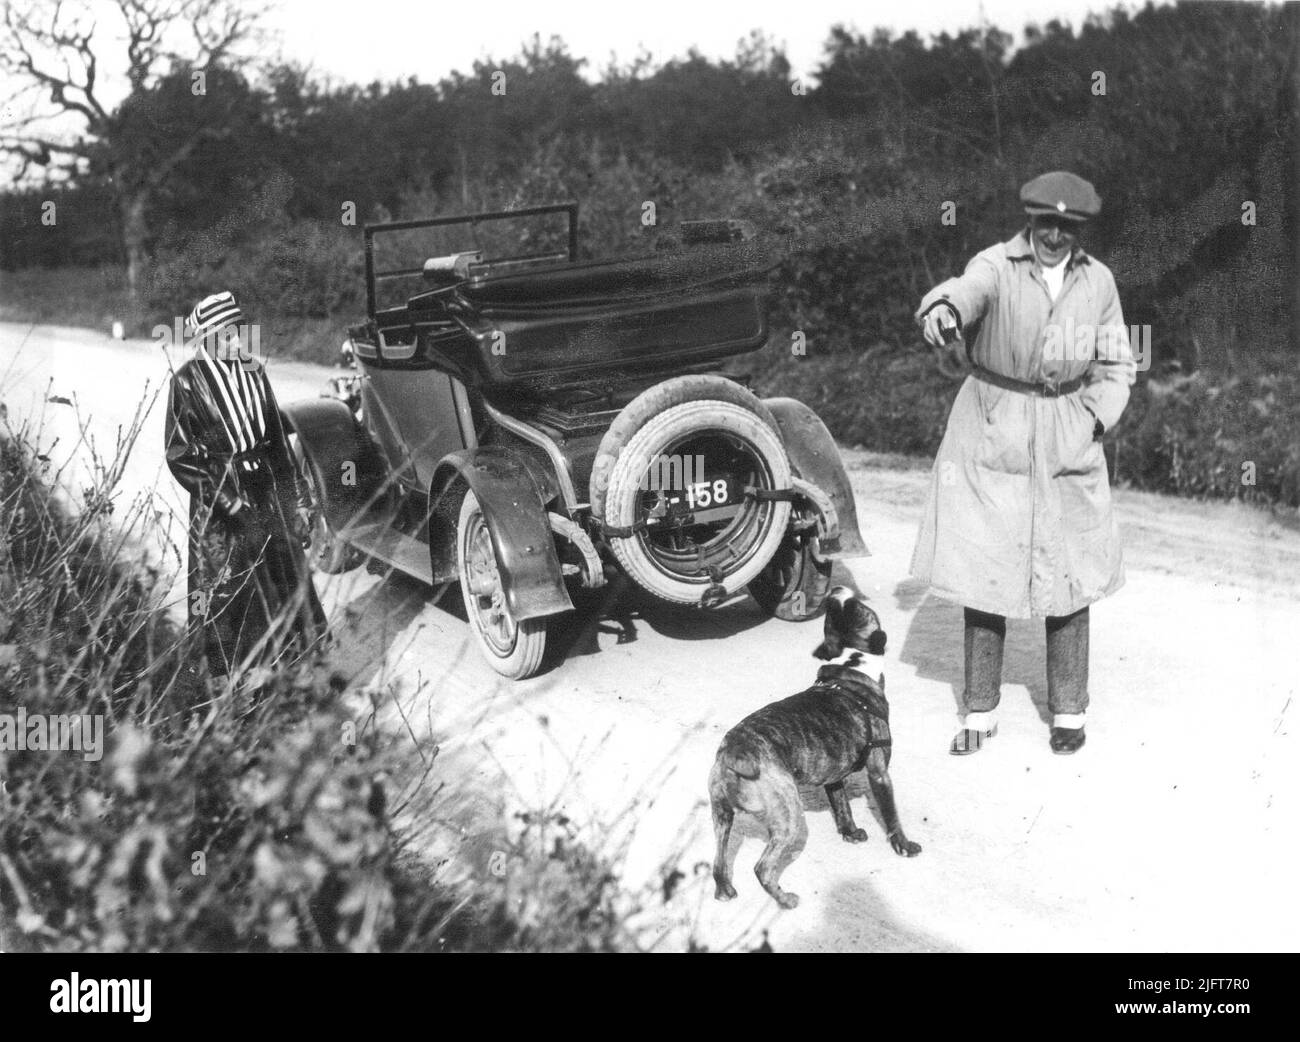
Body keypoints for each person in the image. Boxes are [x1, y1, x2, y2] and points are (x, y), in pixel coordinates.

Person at [912, 172, 1136, 755]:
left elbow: (1117, 363)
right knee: (987, 570)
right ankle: (980, 710)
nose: (1054, 236)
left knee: (1071, 573)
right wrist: (942, 309)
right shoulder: (996, 264)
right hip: (995, 423)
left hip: (1067, 426)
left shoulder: (1099, 281)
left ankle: (1068, 710)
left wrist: (1094, 420)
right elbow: (964, 290)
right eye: (1045, 224)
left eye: (1066, 226)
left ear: (1079, 230)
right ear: (1029, 222)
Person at [165, 291, 326, 678]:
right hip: (224, 506)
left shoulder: (254, 370)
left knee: (285, 584)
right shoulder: (187, 382)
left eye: (237, 330)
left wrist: (298, 500)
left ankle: (293, 681)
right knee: (234, 595)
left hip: (267, 493)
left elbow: (276, 442)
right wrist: (230, 503)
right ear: (205, 338)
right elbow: (180, 454)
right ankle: (244, 692)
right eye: (226, 333)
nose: (237, 340)